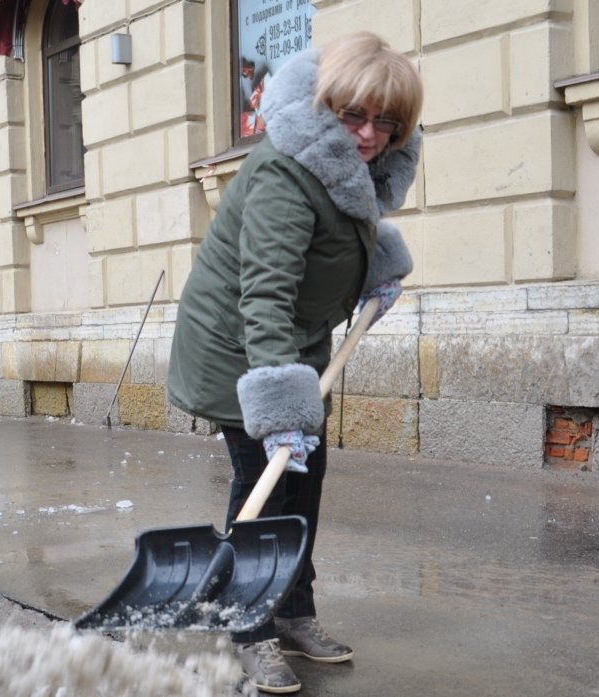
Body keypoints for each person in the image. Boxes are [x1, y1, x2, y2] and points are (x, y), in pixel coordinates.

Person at [167, 31, 422, 694]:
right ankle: (244, 625)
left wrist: (376, 271)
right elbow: (267, 293)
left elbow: (337, 237)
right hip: (241, 348)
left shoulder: (347, 159)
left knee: (305, 485)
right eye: (355, 116)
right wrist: (280, 410)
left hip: (295, 344)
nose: (369, 135)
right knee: (267, 485)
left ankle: (293, 610)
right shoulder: (287, 170)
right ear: (326, 103)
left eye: (386, 122)